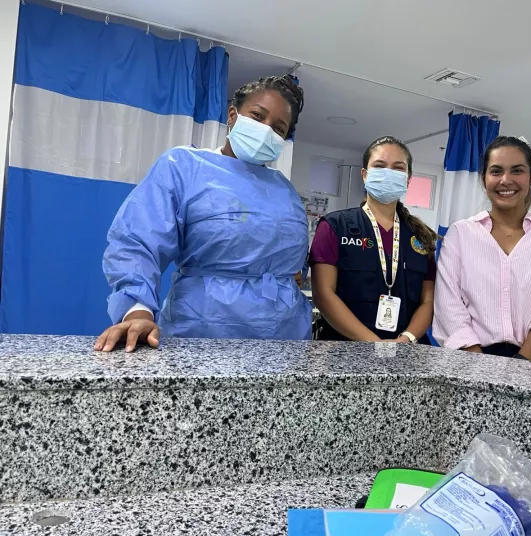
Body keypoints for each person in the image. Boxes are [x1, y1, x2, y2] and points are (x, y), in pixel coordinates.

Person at [95, 75, 311, 352]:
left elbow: (290, 263)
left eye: (278, 128)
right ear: (232, 115)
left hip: (285, 337)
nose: (265, 129)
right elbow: (137, 242)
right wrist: (137, 312)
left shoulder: (284, 189)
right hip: (204, 331)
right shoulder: (184, 167)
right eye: (257, 116)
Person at [433, 136, 531, 362]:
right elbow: (449, 308)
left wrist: (519, 365)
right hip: (470, 360)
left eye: (517, 171)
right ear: (484, 178)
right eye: (496, 171)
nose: (506, 180)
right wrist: (482, 369)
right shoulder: (460, 234)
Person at [310, 136, 436, 344]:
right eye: (379, 166)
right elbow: (324, 294)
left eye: (398, 168)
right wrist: (373, 342)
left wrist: (406, 339)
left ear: (408, 179)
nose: (388, 173)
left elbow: (428, 301)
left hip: (407, 350)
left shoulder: (421, 237)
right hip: (346, 349)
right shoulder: (334, 226)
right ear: (365, 175)